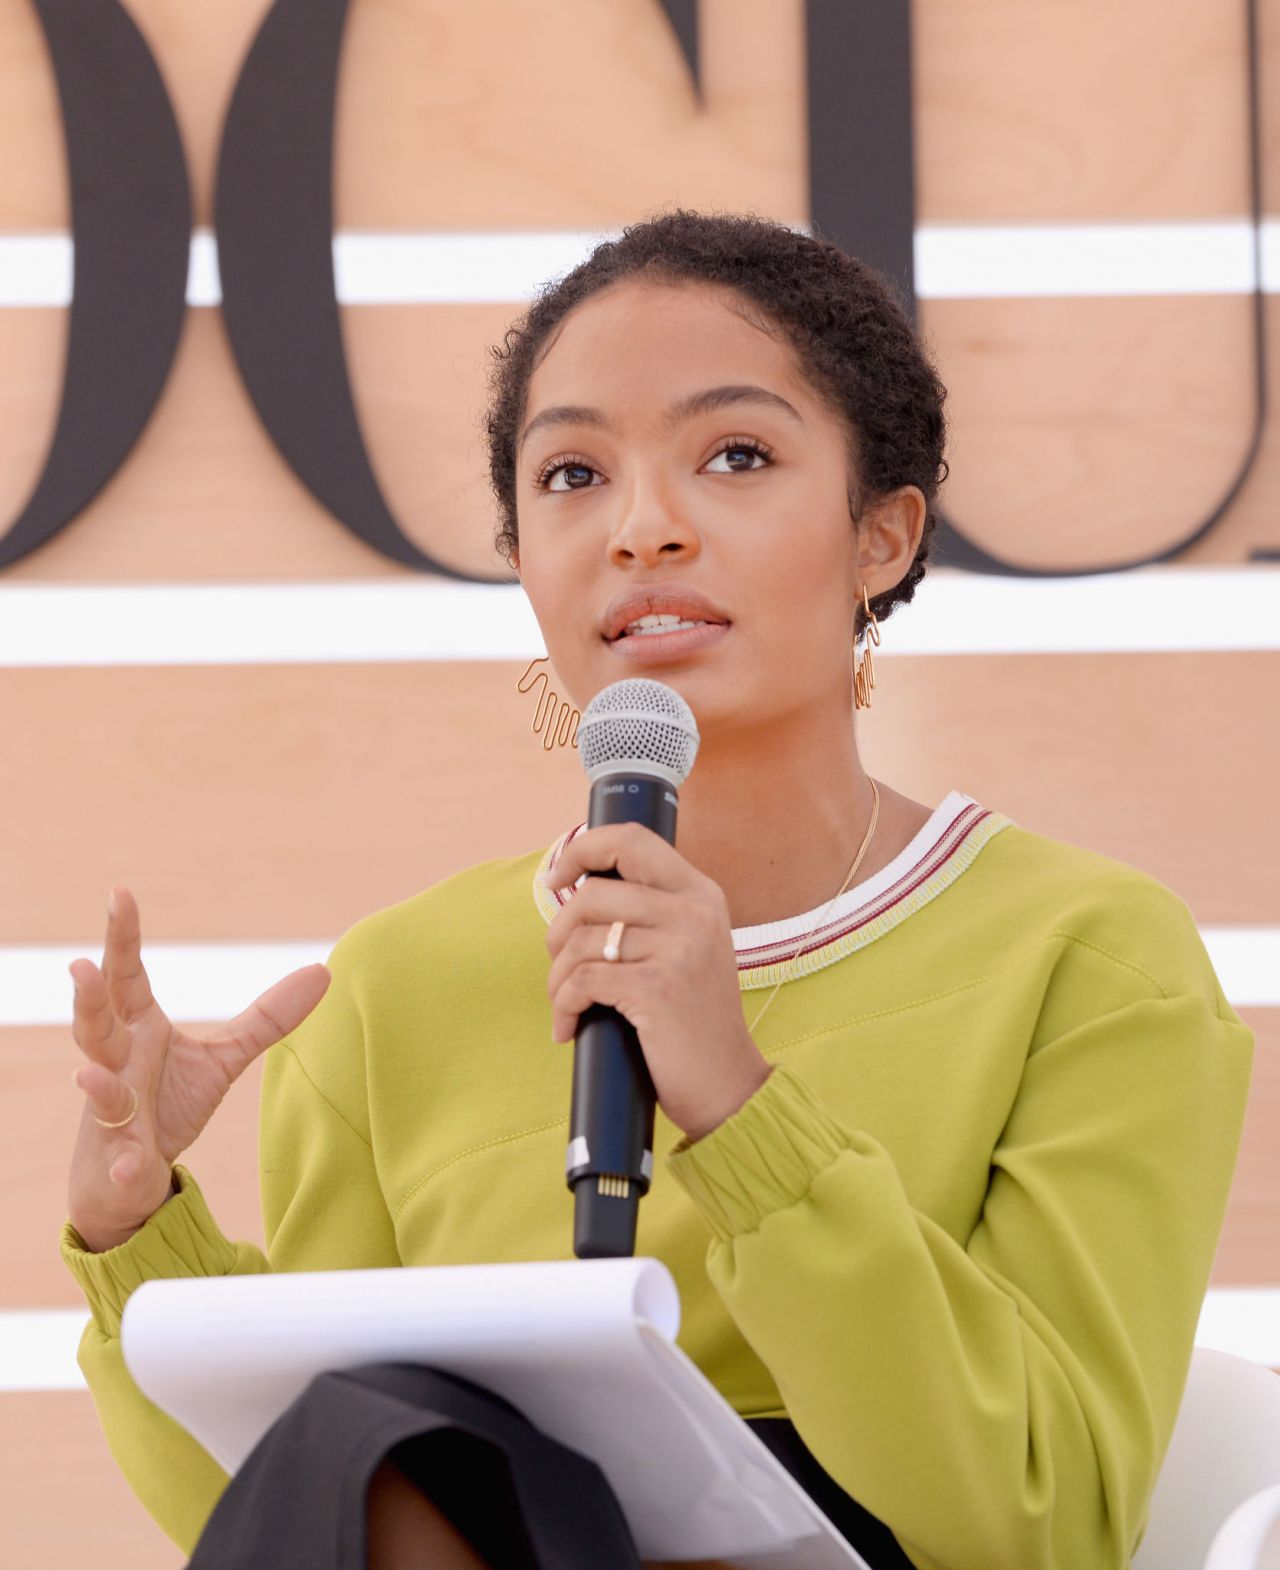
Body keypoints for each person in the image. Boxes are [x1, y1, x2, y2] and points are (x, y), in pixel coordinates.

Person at [61, 209, 1255, 1570]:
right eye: (571, 474)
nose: (642, 529)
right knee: (363, 1434)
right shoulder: (390, 988)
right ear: (522, 558)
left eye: (735, 454)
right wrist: (135, 1226)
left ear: (882, 532)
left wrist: (738, 1103)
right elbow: (297, 1510)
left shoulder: (1090, 957)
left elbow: (1041, 1512)